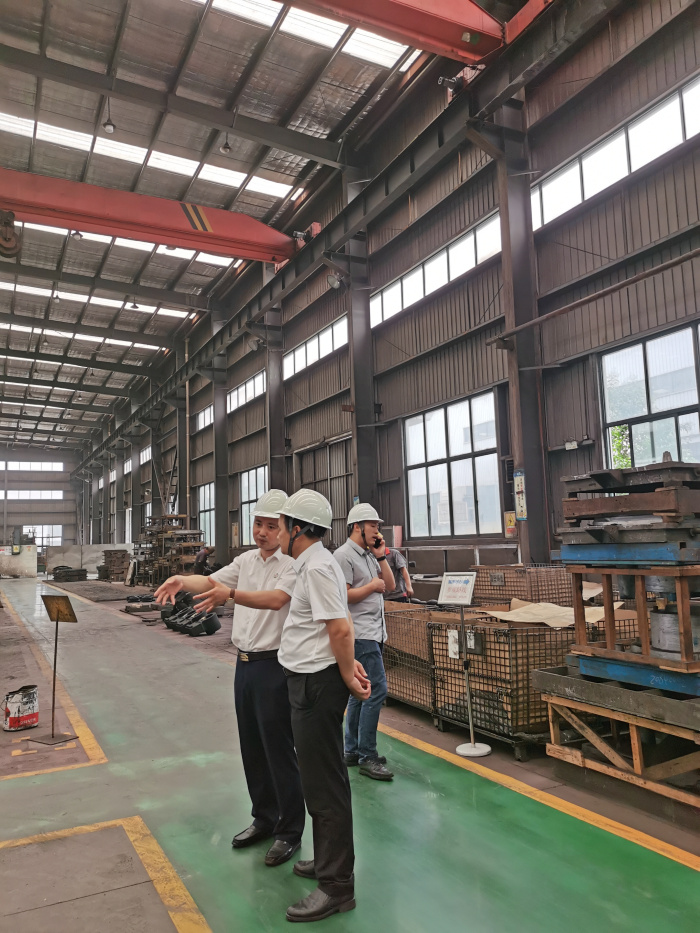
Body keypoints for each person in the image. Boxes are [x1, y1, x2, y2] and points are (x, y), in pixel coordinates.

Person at [154, 490, 305, 869]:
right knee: (252, 746)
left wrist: (232, 594)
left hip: (274, 667)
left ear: (286, 529)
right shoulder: (246, 561)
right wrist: (180, 579)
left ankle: (290, 831)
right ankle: (264, 817)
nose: (262, 532)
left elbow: (275, 600)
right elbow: (209, 582)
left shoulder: (292, 566)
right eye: (258, 524)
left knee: (279, 749)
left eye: (271, 526)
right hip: (245, 664)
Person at [276, 488, 370, 923]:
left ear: (298, 529)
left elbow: (340, 628)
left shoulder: (316, 567)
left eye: (281, 527)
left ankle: (336, 887)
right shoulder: (319, 563)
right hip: (311, 680)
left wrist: (348, 674)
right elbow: (340, 619)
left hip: (316, 685)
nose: (278, 535)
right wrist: (347, 667)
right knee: (321, 779)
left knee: (324, 784)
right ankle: (328, 859)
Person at [334, 503, 395, 782]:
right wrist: (370, 586)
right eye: (372, 525)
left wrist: (381, 556)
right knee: (376, 690)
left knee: (360, 693)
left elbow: (390, 586)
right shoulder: (343, 556)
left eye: (378, 526)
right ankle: (367, 755)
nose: (377, 530)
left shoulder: (370, 555)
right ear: (357, 527)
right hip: (360, 634)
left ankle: (352, 750)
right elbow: (342, 596)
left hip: (375, 632)